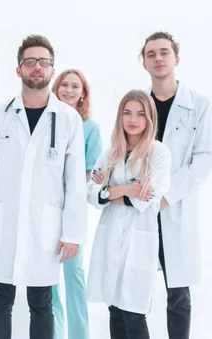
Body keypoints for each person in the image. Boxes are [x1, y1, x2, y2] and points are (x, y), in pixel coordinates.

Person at [0, 35, 87, 339]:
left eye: (44, 62)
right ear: (19, 69)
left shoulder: (68, 119)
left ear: (53, 68)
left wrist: (73, 233)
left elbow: (75, 181)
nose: (37, 67)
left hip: (45, 226)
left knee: (42, 304)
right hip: (2, 225)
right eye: (30, 62)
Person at [141, 31, 212, 339]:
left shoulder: (199, 104)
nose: (158, 58)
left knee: (178, 296)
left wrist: (166, 197)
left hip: (175, 208)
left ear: (176, 59)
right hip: (140, 207)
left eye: (164, 52)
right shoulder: (138, 104)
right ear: (144, 62)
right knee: (134, 293)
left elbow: (204, 159)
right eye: (151, 54)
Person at [88, 90, 171, 339]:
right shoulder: (111, 151)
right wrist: (125, 189)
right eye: (127, 113)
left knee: (134, 314)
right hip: (111, 236)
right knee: (115, 310)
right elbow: (92, 193)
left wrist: (110, 192)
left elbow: (146, 199)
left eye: (140, 114)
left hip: (139, 241)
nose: (132, 120)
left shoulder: (159, 153)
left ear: (149, 119)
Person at [51, 68, 102, 339]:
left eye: (75, 86)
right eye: (65, 85)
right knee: (47, 280)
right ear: (56, 88)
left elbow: (87, 176)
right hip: (45, 211)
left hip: (72, 212)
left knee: (74, 276)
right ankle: (55, 334)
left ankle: (80, 335)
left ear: (83, 94)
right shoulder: (48, 123)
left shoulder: (90, 129)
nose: (69, 90)